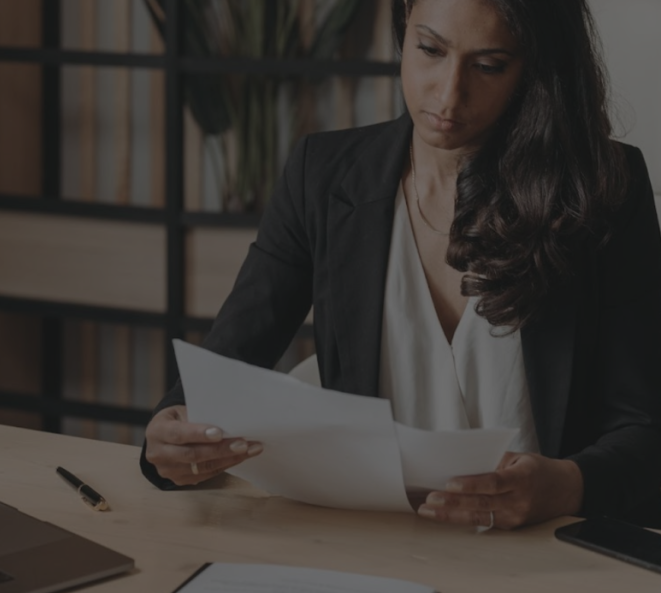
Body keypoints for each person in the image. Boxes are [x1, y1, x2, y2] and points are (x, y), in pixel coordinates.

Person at [141, 0, 661, 531]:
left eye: (488, 66)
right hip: (375, 545)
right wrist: (173, 431)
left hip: (546, 553)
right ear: (404, 25)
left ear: (537, 66)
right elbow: (224, 367)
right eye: (430, 49)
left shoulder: (603, 192)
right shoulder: (321, 177)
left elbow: (645, 432)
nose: (447, 93)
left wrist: (565, 486)